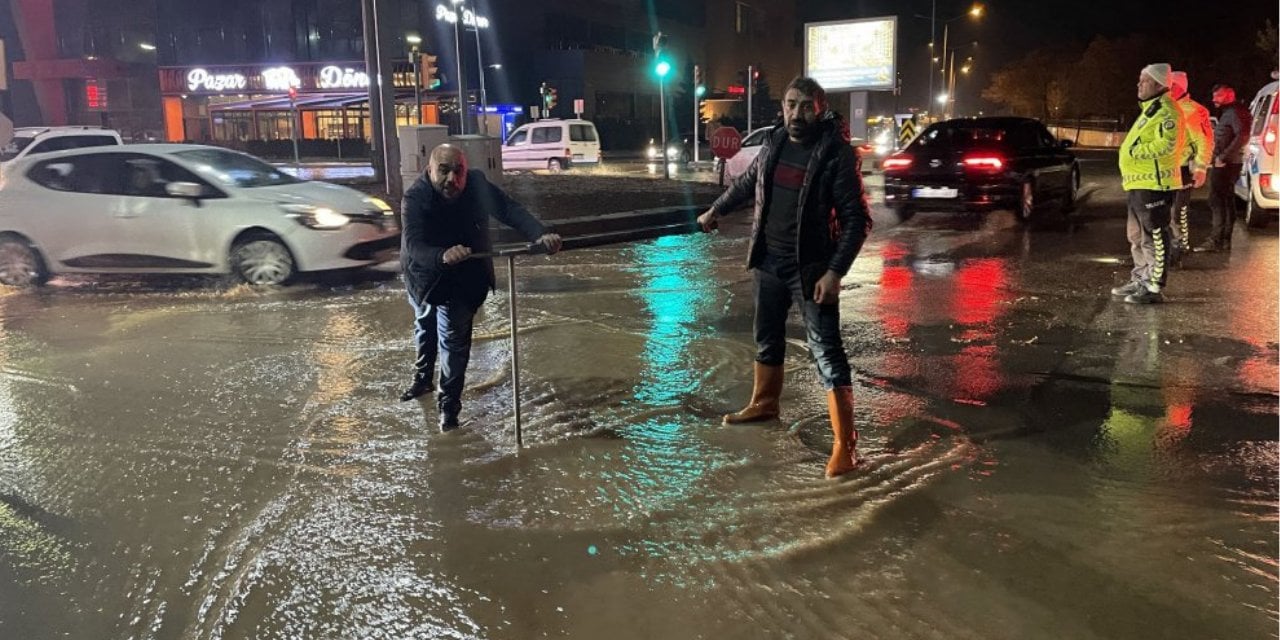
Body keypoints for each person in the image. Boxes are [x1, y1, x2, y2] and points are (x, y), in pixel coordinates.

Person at [696, 76, 872, 478]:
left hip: (811, 271)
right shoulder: (774, 141)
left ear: (819, 108)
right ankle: (764, 403)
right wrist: (716, 210)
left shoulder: (836, 154)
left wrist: (834, 272)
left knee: (826, 351)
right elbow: (746, 183)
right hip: (769, 262)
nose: (796, 113)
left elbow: (857, 220)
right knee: (766, 336)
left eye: (805, 105)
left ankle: (845, 445)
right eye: (790, 104)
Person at [400, 144, 562, 431]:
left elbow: (509, 209)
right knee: (425, 325)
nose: (452, 179)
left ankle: (448, 407)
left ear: (466, 171)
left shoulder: (476, 183)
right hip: (425, 275)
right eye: (444, 170)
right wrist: (441, 255)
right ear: (429, 170)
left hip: (465, 277)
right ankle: (422, 378)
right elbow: (414, 245)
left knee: (453, 341)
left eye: (458, 171)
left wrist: (542, 233)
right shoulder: (415, 197)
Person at [1112, 63, 1185, 305]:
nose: (1139, 84)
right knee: (1136, 236)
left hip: (1155, 184)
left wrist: (1133, 151)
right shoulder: (1150, 110)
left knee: (1155, 235)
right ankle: (1140, 278)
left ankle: (1154, 286)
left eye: (1144, 80)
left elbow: (1167, 145)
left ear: (1158, 84)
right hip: (1138, 183)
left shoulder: (1167, 112)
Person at [1199, 83, 1252, 251]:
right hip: (1228, 162)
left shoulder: (1235, 112)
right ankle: (1224, 241)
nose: (1214, 99)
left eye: (1218, 96)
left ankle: (1217, 240)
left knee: (1218, 200)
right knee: (1225, 200)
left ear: (1229, 95)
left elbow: (1242, 135)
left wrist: (1222, 157)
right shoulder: (1231, 112)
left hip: (1226, 164)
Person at [1167, 71, 1213, 264]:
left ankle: (1181, 246)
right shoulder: (1171, 108)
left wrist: (1201, 167)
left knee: (1178, 211)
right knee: (1169, 211)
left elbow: (1204, 141)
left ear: (1178, 87)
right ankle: (1173, 246)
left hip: (1180, 169)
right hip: (1166, 169)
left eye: (1169, 86)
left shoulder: (1192, 110)